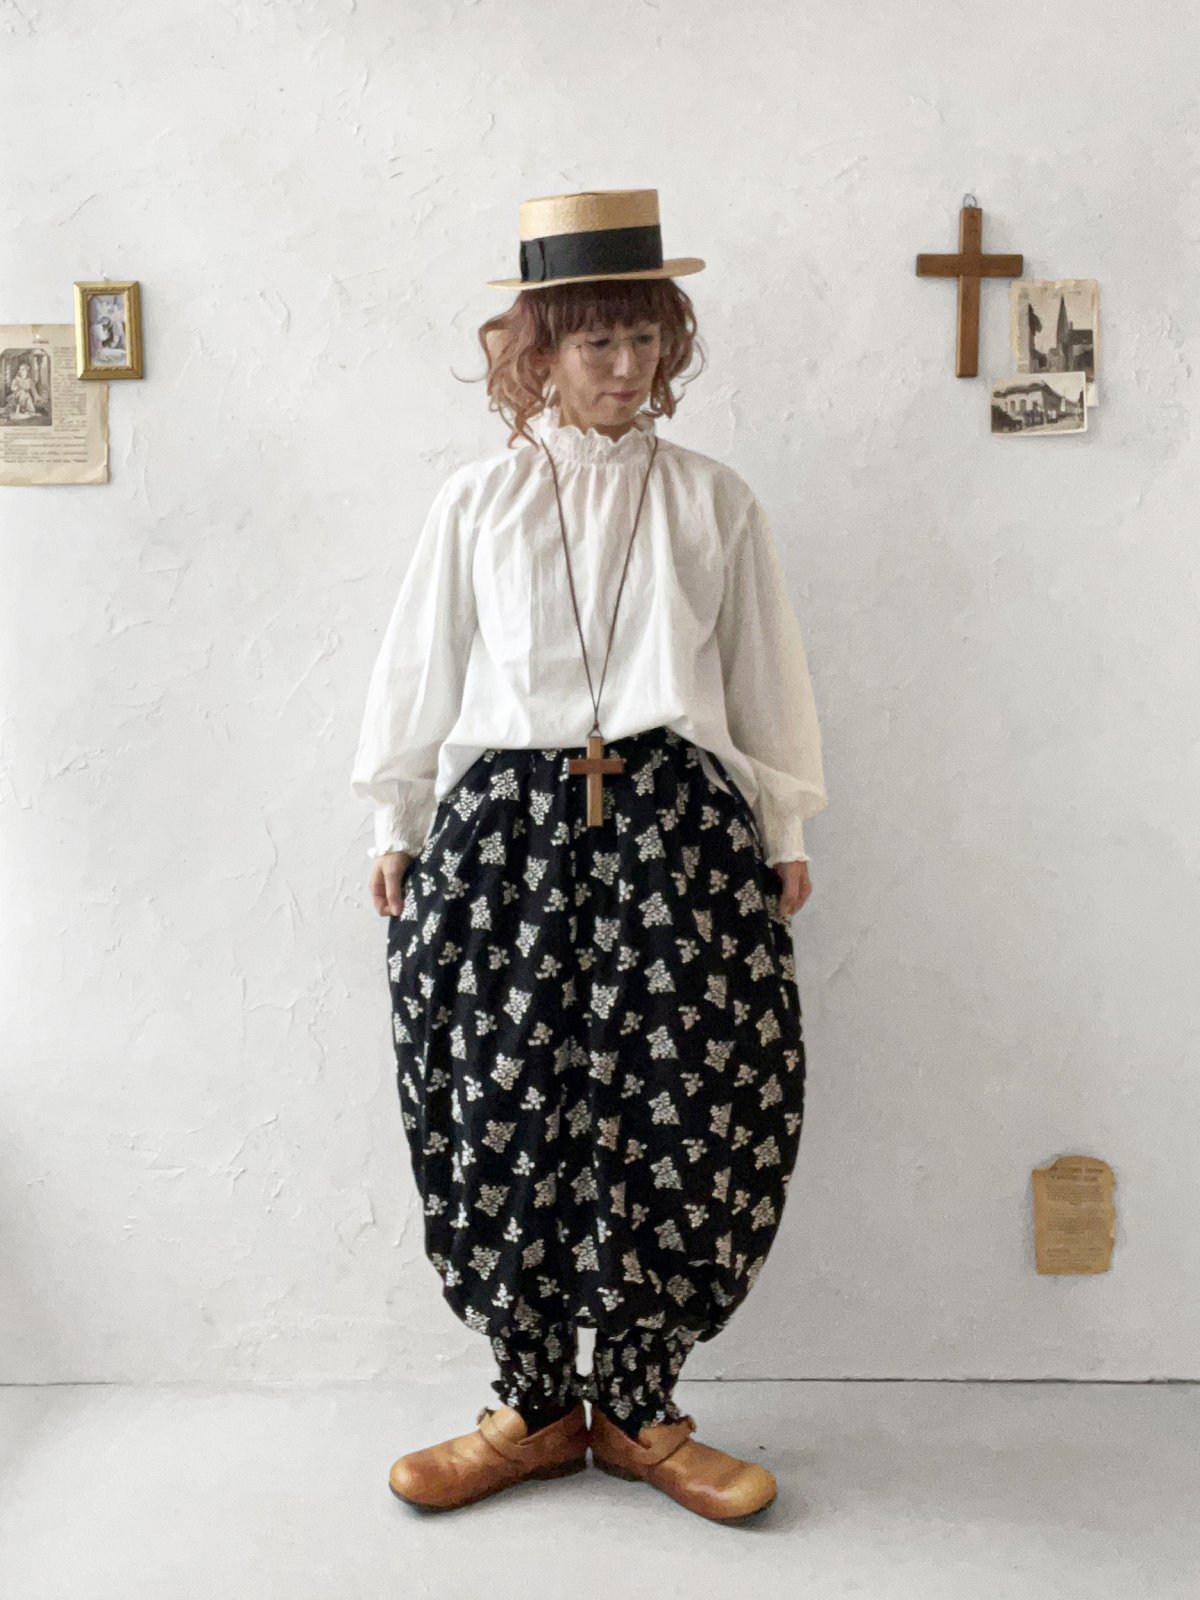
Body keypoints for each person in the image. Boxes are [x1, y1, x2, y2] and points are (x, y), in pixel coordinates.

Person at [350, 188, 828, 1522]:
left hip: (677, 826)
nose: (627, 367)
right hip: (503, 836)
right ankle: (532, 1407)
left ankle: (640, 1408)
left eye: (646, 338)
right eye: (598, 340)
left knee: (681, 1103)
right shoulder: (481, 499)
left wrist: (784, 823)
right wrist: (393, 818)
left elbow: (765, 672)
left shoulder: (714, 499)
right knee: (499, 1106)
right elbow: (420, 668)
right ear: (540, 351)